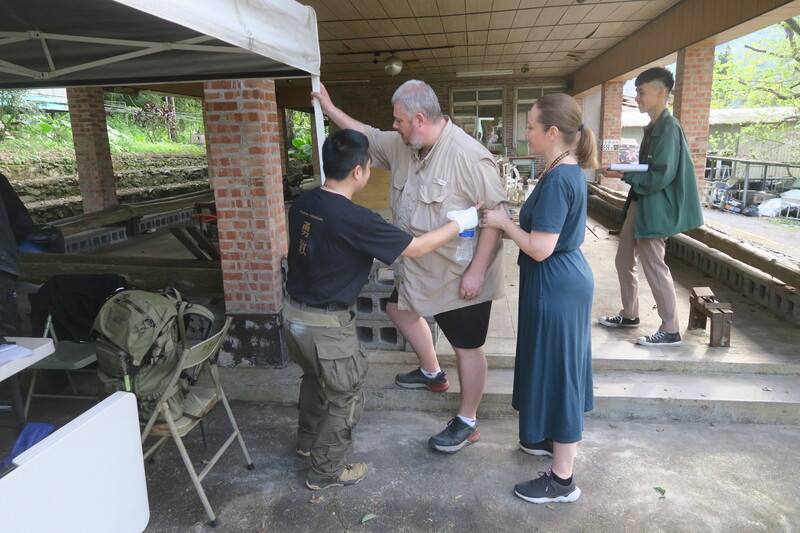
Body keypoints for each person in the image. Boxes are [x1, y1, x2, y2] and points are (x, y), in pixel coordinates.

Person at [312, 80, 506, 453]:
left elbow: (495, 217)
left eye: (399, 120)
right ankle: (433, 373)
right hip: (418, 268)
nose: (394, 126)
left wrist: (478, 271)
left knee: (467, 348)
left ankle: (467, 421)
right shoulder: (404, 145)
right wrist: (329, 106)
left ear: (419, 119)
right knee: (396, 309)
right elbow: (365, 134)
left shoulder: (469, 156)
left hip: (458, 272)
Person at [283, 129, 479, 490]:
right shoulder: (356, 219)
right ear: (358, 171)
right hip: (326, 328)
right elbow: (417, 248)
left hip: (292, 317)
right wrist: (460, 223)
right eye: (370, 165)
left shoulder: (304, 203)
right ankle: (325, 472)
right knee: (344, 395)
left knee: (314, 379)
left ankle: (307, 444)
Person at [481, 93, 596, 504]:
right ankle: (547, 438)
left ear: (552, 132)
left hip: (556, 284)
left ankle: (563, 480)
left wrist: (502, 222)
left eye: (530, 126)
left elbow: (540, 247)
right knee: (552, 364)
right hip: (559, 283)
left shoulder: (561, 177)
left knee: (561, 372)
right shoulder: (562, 169)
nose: (524, 132)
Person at [598, 67, 703, 346]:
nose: (637, 96)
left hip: (655, 206)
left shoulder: (669, 128)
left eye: (642, 91)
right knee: (624, 259)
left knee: (654, 264)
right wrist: (625, 170)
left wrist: (624, 174)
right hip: (640, 202)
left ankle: (670, 328)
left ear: (661, 93)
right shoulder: (655, 127)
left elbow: (660, 175)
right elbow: (649, 169)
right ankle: (630, 314)